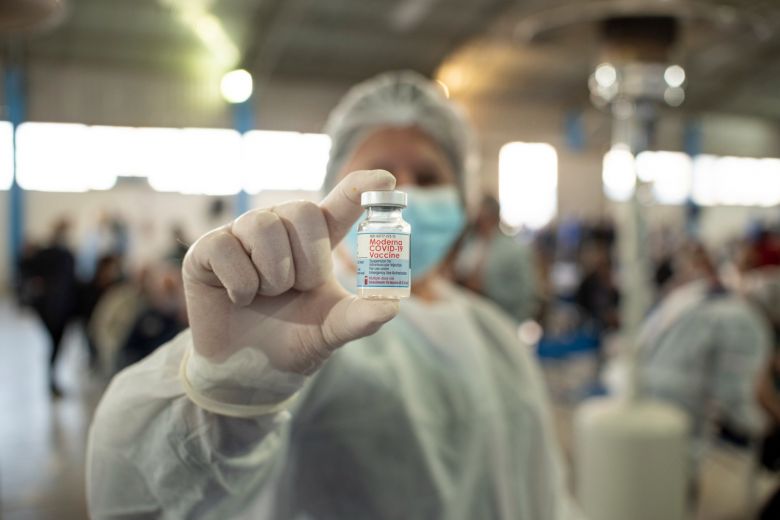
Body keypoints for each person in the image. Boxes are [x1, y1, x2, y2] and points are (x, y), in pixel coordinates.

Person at [87, 71, 580, 519]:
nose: (404, 193)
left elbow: (545, 492)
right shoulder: (310, 326)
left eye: (429, 177)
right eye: (381, 173)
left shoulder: (492, 333)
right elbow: (149, 495)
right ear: (336, 192)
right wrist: (227, 395)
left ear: (463, 199)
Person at [636, 243, 771, 466]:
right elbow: (736, 394)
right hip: (678, 404)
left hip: (648, 387)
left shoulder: (694, 299)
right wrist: (762, 424)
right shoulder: (748, 323)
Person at [453, 195, 539, 322]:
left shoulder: (514, 250)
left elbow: (526, 293)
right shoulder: (470, 244)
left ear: (493, 217)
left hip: (501, 317)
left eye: (484, 217)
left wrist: (486, 288)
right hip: (468, 312)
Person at [25, 219, 78, 397]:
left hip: (63, 307)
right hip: (50, 308)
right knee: (54, 344)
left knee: (57, 345)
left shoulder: (67, 255)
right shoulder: (47, 254)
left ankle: (53, 379)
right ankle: (51, 380)